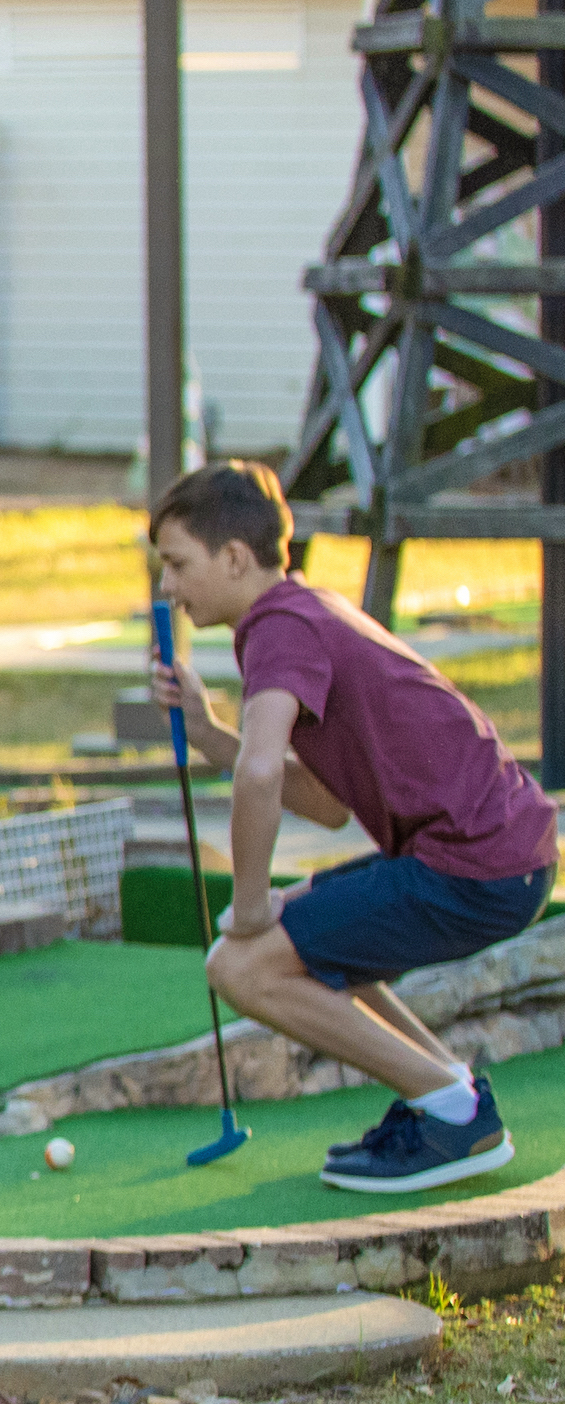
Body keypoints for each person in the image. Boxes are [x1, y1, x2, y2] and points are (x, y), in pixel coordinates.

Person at [149, 460, 559, 1193]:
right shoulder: (307, 611)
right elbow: (326, 802)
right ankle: (450, 1093)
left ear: (235, 558)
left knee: (239, 964)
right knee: (303, 932)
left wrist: (247, 907)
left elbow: (264, 775)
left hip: (474, 863)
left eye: (177, 565)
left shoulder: (275, 628)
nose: (168, 588)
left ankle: (449, 1111)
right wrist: (208, 730)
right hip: (502, 853)